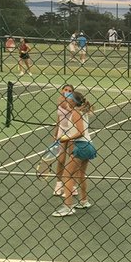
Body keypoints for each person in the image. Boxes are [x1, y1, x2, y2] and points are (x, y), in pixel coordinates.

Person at [53, 88, 93, 216]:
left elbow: (80, 132)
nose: (67, 99)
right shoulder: (81, 111)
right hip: (88, 145)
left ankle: (68, 206)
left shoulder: (76, 113)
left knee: (67, 176)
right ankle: (84, 201)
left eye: (69, 98)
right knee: (80, 174)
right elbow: (67, 109)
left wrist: (65, 138)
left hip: (81, 146)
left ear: (73, 102)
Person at [52, 84, 78, 201]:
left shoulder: (73, 103)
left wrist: (69, 101)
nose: (67, 91)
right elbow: (58, 119)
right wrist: (55, 133)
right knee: (61, 160)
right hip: (62, 132)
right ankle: (58, 184)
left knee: (72, 160)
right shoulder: (59, 101)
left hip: (72, 131)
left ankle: (72, 185)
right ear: (62, 90)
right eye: (65, 90)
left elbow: (68, 108)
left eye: (70, 91)